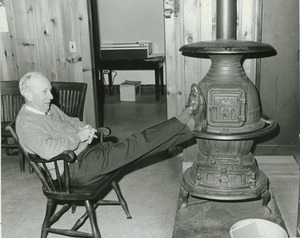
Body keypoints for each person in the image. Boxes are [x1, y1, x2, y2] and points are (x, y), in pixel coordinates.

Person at [16, 72, 202, 187]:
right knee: (135, 144)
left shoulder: (48, 107)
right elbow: (49, 150)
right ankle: (186, 116)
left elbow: (71, 121)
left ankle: (191, 128)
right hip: (71, 171)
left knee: (141, 149)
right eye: (44, 92)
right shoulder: (26, 123)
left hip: (86, 154)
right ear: (28, 94)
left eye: (50, 90)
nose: (51, 96)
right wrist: (78, 136)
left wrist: (84, 128)